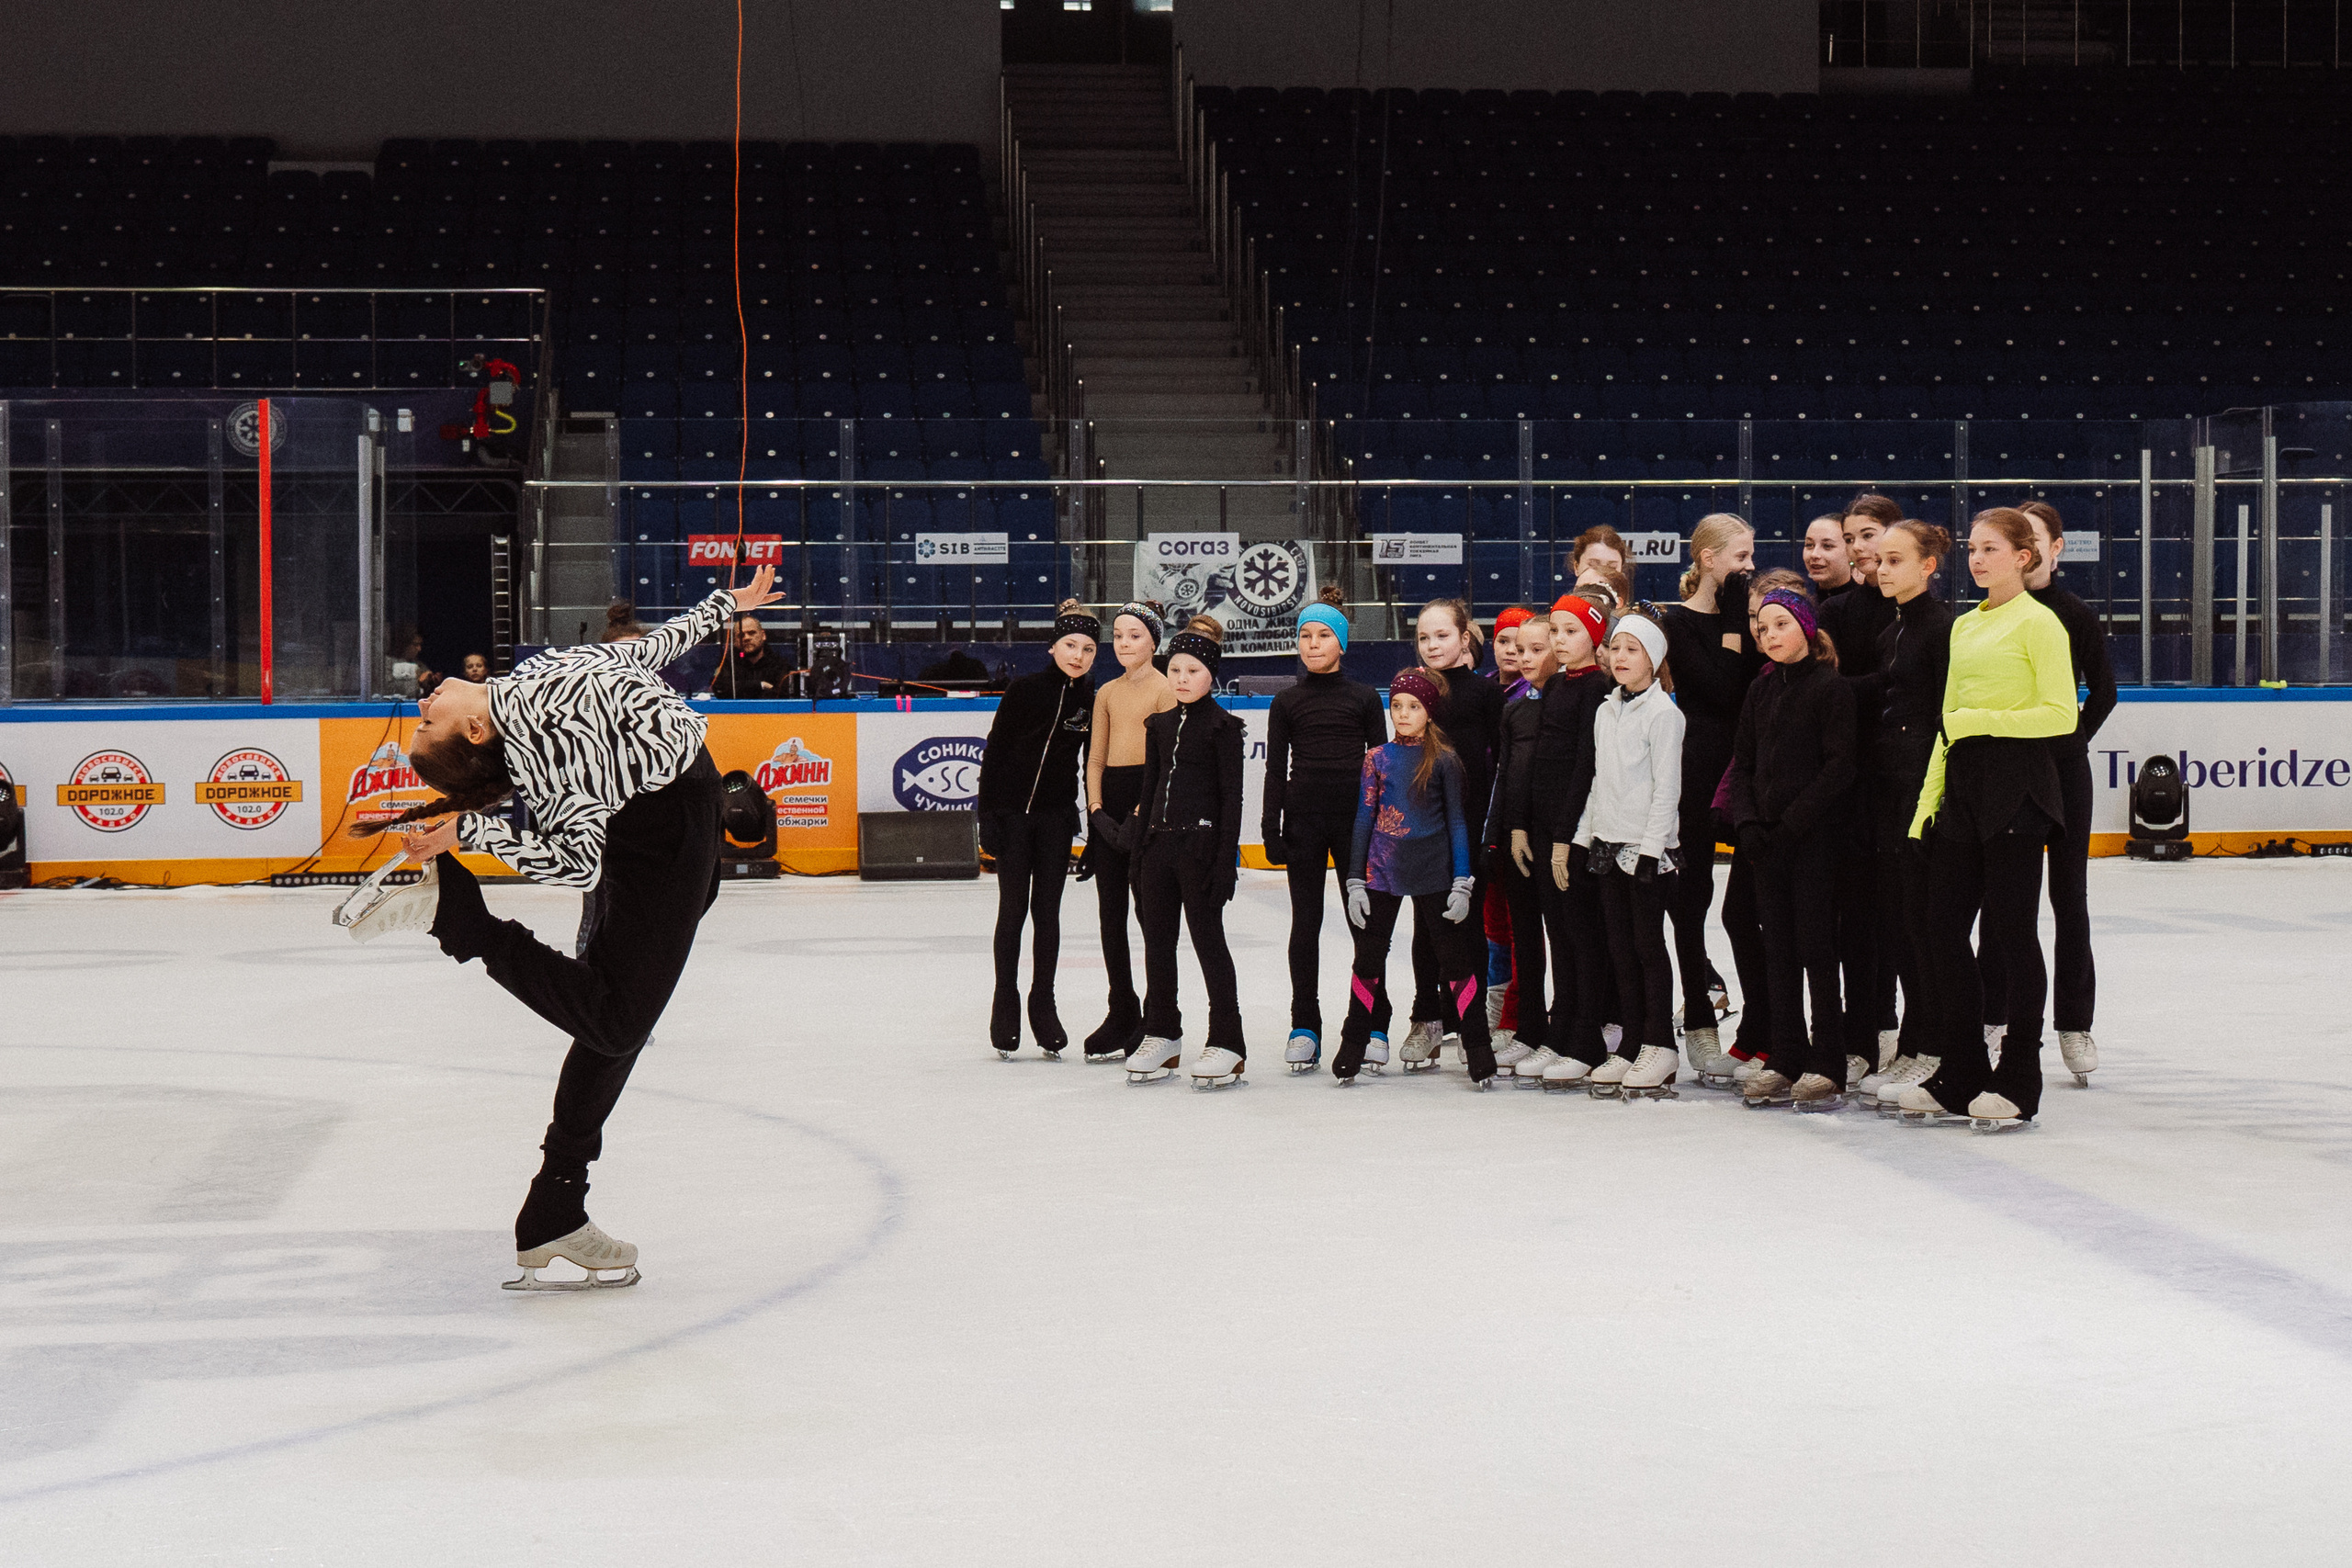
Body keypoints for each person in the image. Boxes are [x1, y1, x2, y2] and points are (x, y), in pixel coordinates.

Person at [354, 565, 784, 1292]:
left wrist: (723, 606)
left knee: (615, 1020)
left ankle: (555, 1202)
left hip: (683, 814)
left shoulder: (528, 682)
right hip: (663, 835)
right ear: (475, 727)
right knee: (615, 1022)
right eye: (431, 720)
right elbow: (578, 865)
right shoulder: (543, 740)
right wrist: (475, 832)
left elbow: (635, 655)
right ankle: (461, 921)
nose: (422, 703)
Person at [1896, 508, 2080, 1131]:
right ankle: (1963, 1068)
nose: (1977, 559)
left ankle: (2020, 1076)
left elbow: (2061, 715)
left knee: (2010, 933)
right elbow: (1948, 724)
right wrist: (1928, 805)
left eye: (1991, 548)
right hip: (1964, 789)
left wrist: (1985, 721)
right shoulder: (1964, 626)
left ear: (2024, 556)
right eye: (1972, 548)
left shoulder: (2041, 624)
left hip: (2019, 788)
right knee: (1940, 926)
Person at [1982, 501, 2117, 1087]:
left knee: (2069, 897)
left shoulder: (2074, 614)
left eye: (2035, 539)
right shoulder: (1991, 612)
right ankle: (1995, 1016)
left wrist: (2065, 743)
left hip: (2063, 773)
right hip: (2007, 773)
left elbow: (2104, 692)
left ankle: (2073, 1022)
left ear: (2054, 548)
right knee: (2003, 900)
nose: (2027, 549)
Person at [1723, 584, 1855, 1111]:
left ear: (1805, 627)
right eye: (1762, 628)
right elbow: (1745, 765)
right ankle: (1785, 1054)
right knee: (1776, 949)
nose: (1770, 635)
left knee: (1816, 950)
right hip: (1766, 846)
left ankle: (1828, 1060)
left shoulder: (1830, 688)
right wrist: (1750, 823)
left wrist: (1792, 824)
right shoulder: (1760, 691)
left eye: (1780, 624)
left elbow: (1840, 767)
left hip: (1813, 843)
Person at [1336, 668, 1492, 1086]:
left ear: (1429, 712)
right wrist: (1355, 879)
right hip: (1382, 871)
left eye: (1413, 707)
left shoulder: (1443, 760)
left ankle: (1478, 1046)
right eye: (1397, 706)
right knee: (1368, 958)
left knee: (1455, 960)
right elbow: (1363, 819)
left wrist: (1462, 881)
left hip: (1435, 873)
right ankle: (1353, 1042)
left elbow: (1459, 824)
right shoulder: (1376, 759)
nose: (1403, 714)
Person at [1264, 586, 1388, 1073]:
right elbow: (1276, 770)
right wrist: (1269, 826)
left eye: (1322, 635)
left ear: (1341, 643)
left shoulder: (1362, 699)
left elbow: (1383, 767)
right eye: (1304, 636)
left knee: (1365, 923)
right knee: (1306, 923)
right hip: (1304, 822)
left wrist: (1381, 828)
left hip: (1357, 824)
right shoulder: (1286, 701)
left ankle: (1374, 1020)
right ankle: (1304, 1024)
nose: (1312, 644)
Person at [1656, 513, 1759, 1085]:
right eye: (1740, 557)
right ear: (1708, 560)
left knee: (1750, 906)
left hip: (1748, 769)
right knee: (1689, 898)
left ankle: (1765, 1026)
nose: (1748, 567)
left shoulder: (1753, 618)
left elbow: (1745, 684)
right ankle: (1698, 1016)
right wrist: (1734, 622)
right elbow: (1720, 687)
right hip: (1696, 770)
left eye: (1750, 557)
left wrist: (1741, 618)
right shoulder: (1676, 622)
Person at [1124, 618, 1248, 1089]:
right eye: (1174, 668)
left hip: (1200, 850)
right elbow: (1149, 790)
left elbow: (1231, 800)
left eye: (1191, 670)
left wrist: (1224, 864)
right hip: (1158, 847)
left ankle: (1228, 1039)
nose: (1180, 677)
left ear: (1209, 674)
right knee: (1157, 945)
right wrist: (1138, 856)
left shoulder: (1223, 728)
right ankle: (1162, 1031)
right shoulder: (1157, 725)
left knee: (1208, 943)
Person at [1860, 521, 1956, 1108]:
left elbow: (1946, 717)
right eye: (1880, 560)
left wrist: (1934, 801)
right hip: (1889, 791)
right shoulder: (1891, 631)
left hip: (1925, 791)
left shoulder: (1943, 629)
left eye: (1896, 559)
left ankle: (1932, 1043)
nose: (1882, 568)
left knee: (1924, 922)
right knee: (1897, 922)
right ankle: (1913, 1044)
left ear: (1927, 566)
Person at [977, 602, 1099, 1059]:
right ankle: (1004, 1000)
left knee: (1048, 913)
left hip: (1054, 820)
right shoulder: (1024, 690)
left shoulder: (1090, 700)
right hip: (1011, 816)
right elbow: (995, 752)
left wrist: (1090, 824)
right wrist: (987, 815)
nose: (1078, 655)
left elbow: (1092, 764)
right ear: (1053, 646)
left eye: (1088, 648)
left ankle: (1042, 1001)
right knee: (1013, 910)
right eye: (1070, 645)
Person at [1573, 611, 1686, 1100]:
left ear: (1653, 659)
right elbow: (1600, 782)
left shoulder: (1665, 715)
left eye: (1632, 650)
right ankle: (1633, 1041)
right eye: (1615, 648)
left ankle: (1660, 1042)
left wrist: (1651, 849)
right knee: (1619, 948)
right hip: (1607, 843)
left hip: (1647, 850)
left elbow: (1667, 790)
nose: (1620, 657)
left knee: (1647, 947)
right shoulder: (1606, 710)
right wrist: (1583, 837)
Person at [1818, 493, 1906, 1086]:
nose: (1857, 547)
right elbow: (1830, 689)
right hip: (1851, 779)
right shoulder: (1840, 610)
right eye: (1851, 537)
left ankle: (1895, 1028)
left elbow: (1907, 685)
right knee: (1853, 914)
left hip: (1903, 778)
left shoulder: (1921, 612)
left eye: (1867, 534)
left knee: (1899, 913)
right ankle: (1859, 1033)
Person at [1399, 601, 1504, 1070]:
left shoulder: (1487, 695)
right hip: (1424, 829)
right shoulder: (1415, 693)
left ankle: (1470, 1017)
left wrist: (1494, 831)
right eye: (1424, 638)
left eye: (1441, 636)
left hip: (1473, 827)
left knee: (1469, 925)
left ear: (1466, 638)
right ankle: (1428, 1016)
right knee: (1426, 927)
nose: (1432, 645)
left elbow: (1501, 767)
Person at [1524, 591, 1617, 1088]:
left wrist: (1565, 835)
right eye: (1555, 631)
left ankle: (1587, 1038)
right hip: (1545, 825)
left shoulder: (1597, 687)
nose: (1559, 641)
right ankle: (1561, 1034)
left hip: (1575, 829)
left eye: (1571, 631)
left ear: (1595, 635)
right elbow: (1542, 759)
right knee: (1557, 932)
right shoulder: (1557, 684)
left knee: (1582, 935)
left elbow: (1585, 764)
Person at [1081, 602, 1176, 1060]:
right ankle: (1122, 1007)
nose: (1123, 643)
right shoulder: (1106, 693)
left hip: (1148, 806)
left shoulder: (1165, 690)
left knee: (1150, 914)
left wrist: (1139, 815)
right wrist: (1096, 810)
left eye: (1134, 635)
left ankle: (1158, 1014)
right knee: (1110, 914)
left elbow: (1163, 766)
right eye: (1118, 635)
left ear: (1153, 641)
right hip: (1109, 804)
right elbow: (1095, 759)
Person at [1486, 613, 1556, 1073]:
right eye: (1520, 649)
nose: (1525, 658)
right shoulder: (1513, 708)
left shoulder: (1577, 700)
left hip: (1563, 839)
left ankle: (1571, 1024)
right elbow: (1506, 779)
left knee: (1569, 939)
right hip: (1520, 841)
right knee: (1525, 939)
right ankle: (1529, 1027)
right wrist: (1502, 835)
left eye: (1536, 649)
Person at [708, 615, 794, 698]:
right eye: (741, 635)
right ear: (735, 641)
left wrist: (742, 688)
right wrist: (760, 685)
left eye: (751, 633)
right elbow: (720, 689)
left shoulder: (779, 664)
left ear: (763, 635)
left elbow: (783, 694)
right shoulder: (729, 664)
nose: (746, 638)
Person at [1802, 513, 1856, 600]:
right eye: (1809, 545)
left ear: (1850, 551)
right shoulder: (1803, 606)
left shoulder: (1865, 605)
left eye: (1827, 546)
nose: (1814, 554)